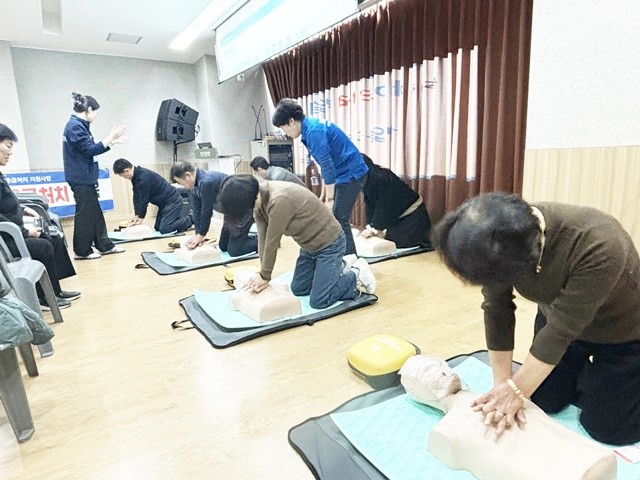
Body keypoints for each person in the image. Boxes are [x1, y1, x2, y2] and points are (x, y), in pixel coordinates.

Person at [431, 192, 640, 446]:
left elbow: (561, 331)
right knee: (542, 400)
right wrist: (504, 386)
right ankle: (597, 378)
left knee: (609, 429)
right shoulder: (494, 241)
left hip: (622, 335)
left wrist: (516, 391)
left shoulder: (600, 244)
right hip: (559, 324)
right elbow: (497, 308)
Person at [217, 175, 376, 309]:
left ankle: (357, 273)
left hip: (330, 245)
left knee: (319, 300)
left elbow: (272, 242)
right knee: (299, 289)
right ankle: (340, 266)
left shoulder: (279, 200)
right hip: (308, 248)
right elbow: (262, 239)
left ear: (254, 197)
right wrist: (262, 274)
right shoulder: (258, 202)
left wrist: (265, 276)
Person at [272, 98, 368, 256]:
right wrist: (323, 195)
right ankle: (342, 256)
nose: (285, 133)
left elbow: (327, 166)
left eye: (283, 127)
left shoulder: (314, 132)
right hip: (342, 173)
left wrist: (329, 199)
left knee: (339, 219)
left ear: (291, 121)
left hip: (351, 173)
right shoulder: (309, 128)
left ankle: (350, 259)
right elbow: (324, 166)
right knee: (336, 217)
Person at [0, 124, 80, 310]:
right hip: (6, 240)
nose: (11, 152)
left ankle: (55, 290)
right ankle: (44, 297)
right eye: (8, 146)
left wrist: (22, 209)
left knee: (54, 237)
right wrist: (25, 232)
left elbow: (5, 202)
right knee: (43, 246)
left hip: (14, 233)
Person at [63, 92, 126, 260]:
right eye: (96, 111)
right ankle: (81, 251)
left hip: (85, 177)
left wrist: (110, 143)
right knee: (86, 214)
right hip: (80, 178)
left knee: (94, 212)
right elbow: (89, 150)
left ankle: (104, 245)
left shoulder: (79, 125)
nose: (97, 115)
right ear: (89, 109)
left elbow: (88, 148)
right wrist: (109, 138)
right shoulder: (75, 126)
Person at [170, 161, 257, 256]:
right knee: (223, 246)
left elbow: (206, 211)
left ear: (188, 175)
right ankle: (242, 239)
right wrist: (198, 235)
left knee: (234, 251)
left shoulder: (206, 182)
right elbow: (197, 210)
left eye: (180, 182)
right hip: (230, 214)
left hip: (242, 211)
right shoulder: (194, 186)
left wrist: (201, 235)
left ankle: (260, 240)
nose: (182, 186)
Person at [360, 154, 432, 249]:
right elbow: (370, 205)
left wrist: (373, 228)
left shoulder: (383, 178)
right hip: (396, 216)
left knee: (396, 244)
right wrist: (370, 226)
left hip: (412, 216)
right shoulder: (367, 180)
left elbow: (384, 206)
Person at [112, 158, 192, 234]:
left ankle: (191, 218)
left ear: (127, 171)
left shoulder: (143, 178)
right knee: (158, 228)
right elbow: (136, 197)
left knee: (165, 229)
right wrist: (137, 215)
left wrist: (140, 218)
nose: (125, 178)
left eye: (123, 176)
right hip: (164, 204)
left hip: (172, 201)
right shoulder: (136, 176)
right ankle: (177, 221)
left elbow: (143, 200)